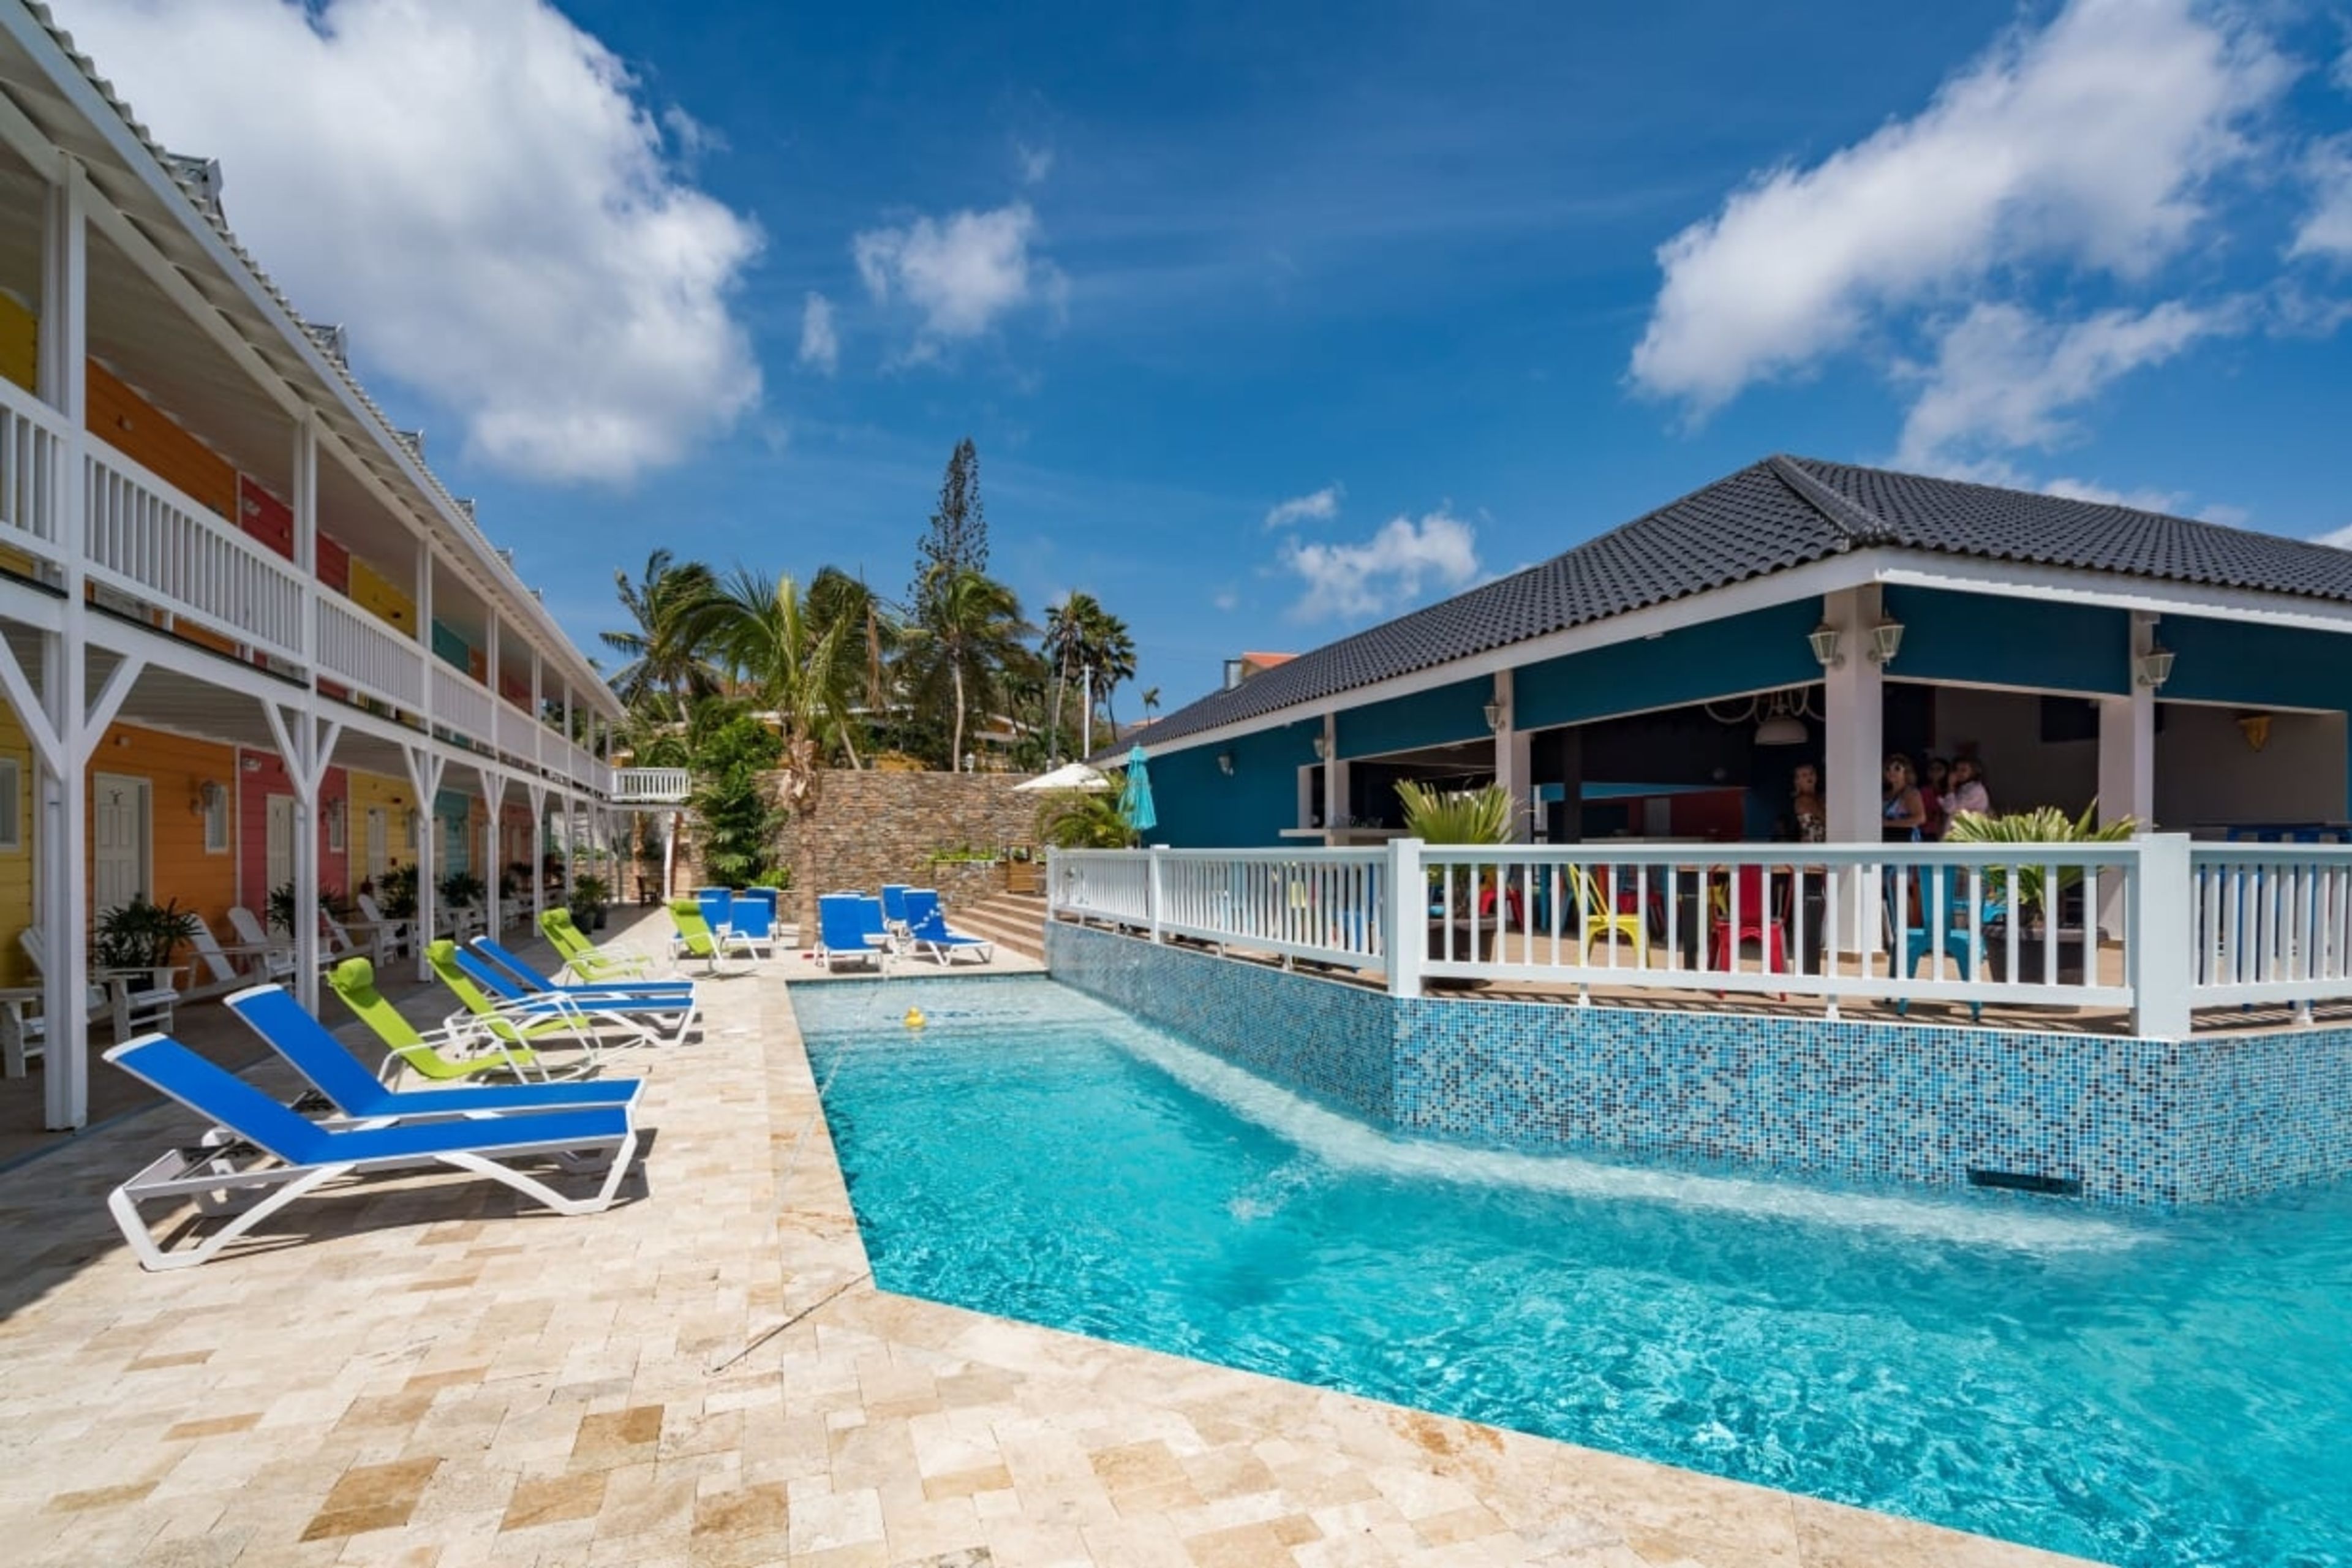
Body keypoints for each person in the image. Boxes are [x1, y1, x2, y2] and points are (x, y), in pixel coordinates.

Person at [1882, 755, 1926, 842]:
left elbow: (1920, 819)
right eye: (1888, 769)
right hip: (1888, 838)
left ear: (1906, 772)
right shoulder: (1885, 794)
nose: (1892, 772)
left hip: (1906, 839)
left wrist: (1887, 823)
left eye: (1897, 768)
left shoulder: (1911, 793)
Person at [1947, 755, 1991, 820]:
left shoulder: (1976, 790)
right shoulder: (1963, 787)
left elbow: (1950, 809)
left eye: (1963, 770)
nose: (1958, 773)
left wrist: (1950, 786)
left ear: (1974, 772)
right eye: (1956, 770)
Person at [1791, 763, 1826, 844]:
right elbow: (1826, 819)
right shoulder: (1803, 799)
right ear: (1798, 781)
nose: (1809, 777)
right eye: (1804, 775)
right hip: (1812, 846)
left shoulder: (1819, 797)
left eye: (1811, 773)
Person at [1921, 756, 1950, 840]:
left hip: (1947, 832)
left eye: (1939, 769)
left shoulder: (1951, 791)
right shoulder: (1923, 791)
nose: (1935, 772)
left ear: (1947, 771)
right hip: (1927, 832)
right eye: (1932, 769)